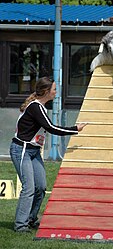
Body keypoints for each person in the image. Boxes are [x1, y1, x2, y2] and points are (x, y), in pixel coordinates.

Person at [10, 77, 87, 233]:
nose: (56, 92)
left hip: (33, 151)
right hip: (22, 149)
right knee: (29, 188)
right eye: (54, 89)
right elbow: (51, 128)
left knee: (41, 187)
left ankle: (31, 219)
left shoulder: (41, 107)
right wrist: (75, 129)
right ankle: (20, 225)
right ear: (46, 91)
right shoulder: (36, 107)